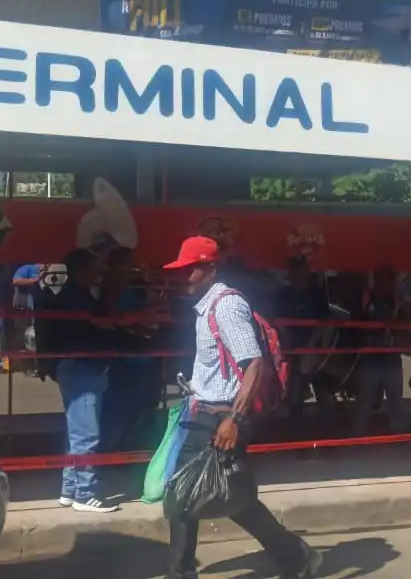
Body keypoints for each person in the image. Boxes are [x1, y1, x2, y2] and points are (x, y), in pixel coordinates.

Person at [163, 236, 322, 579]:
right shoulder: (205, 307)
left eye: (190, 270)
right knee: (205, 497)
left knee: (203, 498)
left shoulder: (226, 306)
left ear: (210, 269)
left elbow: (255, 364)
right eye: (180, 270)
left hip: (223, 418)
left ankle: (297, 557)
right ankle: (297, 557)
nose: (182, 277)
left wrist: (234, 419)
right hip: (204, 413)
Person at [35, 249, 119, 513]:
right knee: (86, 435)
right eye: (94, 268)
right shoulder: (77, 299)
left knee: (76, 434)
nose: (99, 273)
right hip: (83, 368)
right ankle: (86, 494)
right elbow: (99, 326)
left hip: (75, 368)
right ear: (83, 270)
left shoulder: (71, 296)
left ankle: (70, 489)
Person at [99, 247, 159, 453]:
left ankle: (130, 451)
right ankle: (112, 453)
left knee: (140, 409)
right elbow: (116, 318)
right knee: (120, 410)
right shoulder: (114, 290)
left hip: (141, 356)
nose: (132, 266)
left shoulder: (134, 286)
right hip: (126, 358)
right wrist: (143, 316)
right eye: (128, 262)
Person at [273, 256, 335, 421]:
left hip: (317, 350)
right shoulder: (283, 294)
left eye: (302, 270)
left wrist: (313, 346)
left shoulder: (317, 294)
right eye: (296, 270)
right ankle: (296, 433)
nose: (299, 274)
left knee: (325, 394)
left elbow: (326, 322)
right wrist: (288, 343)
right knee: (295, 396)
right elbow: (278, 321)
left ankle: (329, 434)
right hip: (293, 351)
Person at [353, 265, 408, 436]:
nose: (384, 283)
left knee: (396, 400)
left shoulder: (396, 300)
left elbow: (404, 325)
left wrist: (395, 317)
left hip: (391, 357)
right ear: (375, 281)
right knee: (365, 401)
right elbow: (355, 323)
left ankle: (399, 436)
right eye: (381, 279)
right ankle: (358, 438)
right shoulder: (366, 298)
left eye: (388, 280)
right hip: (369, 358)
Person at [13, 263, 45, 376]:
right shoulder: (27, 268)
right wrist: (35, 280)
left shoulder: (52, 270)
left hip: (44, 312)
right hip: (28, 312)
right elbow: (16, 281)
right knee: (29, 340)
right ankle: (31, 367)